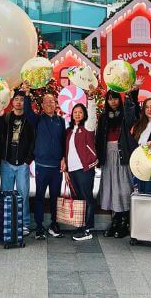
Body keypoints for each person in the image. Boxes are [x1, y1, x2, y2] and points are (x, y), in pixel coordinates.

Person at [96, 80, 141, 239]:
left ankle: (124, 221)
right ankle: (115, 221)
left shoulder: (124, 114)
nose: (112, 101)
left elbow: (132, 115)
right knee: (111, 188)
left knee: (123, 188)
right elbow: (98, 138)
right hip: (108, 155)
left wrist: (130, 95)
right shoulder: (103, 117)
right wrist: (98, 157)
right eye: (109, 98)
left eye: (115, 98)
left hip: (123, 155)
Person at [23, 86, 66, 240]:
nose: (49, 105)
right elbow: (27, 113)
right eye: (46, 102)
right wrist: (27, 95)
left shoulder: (61, 121)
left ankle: (54, 224)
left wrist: (64, 158)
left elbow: (64, 142)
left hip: (56, 168)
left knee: (56, 197)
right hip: (41, 165)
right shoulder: (38, 120)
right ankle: (39, 226)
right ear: (42, 106)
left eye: (52, 102)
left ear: (56, 104)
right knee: (40, 196)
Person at [0, 89, 35, 235]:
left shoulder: (28, 118)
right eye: (16, 99)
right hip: (7, 163)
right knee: (6, 194)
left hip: (22, 164)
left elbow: (33, 141)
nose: (18, 102)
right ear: (12, 101)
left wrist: (27, 160)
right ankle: (7, 221)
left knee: (23, 195)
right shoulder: (6, 117)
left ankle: (24, 224)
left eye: (21, 99)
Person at [65, 103, 98, 241]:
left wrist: (90, 99)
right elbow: (66, 150)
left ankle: (88, 229)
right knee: (77, 199)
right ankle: (80, 226)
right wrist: (65, 168)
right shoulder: (69, 131)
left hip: (84, 168)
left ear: (84, 114)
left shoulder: (88, 128)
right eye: (75, 112)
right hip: (71, 170)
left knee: (87, 198)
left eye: (80, 112)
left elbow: (93, 116)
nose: (77, 114)